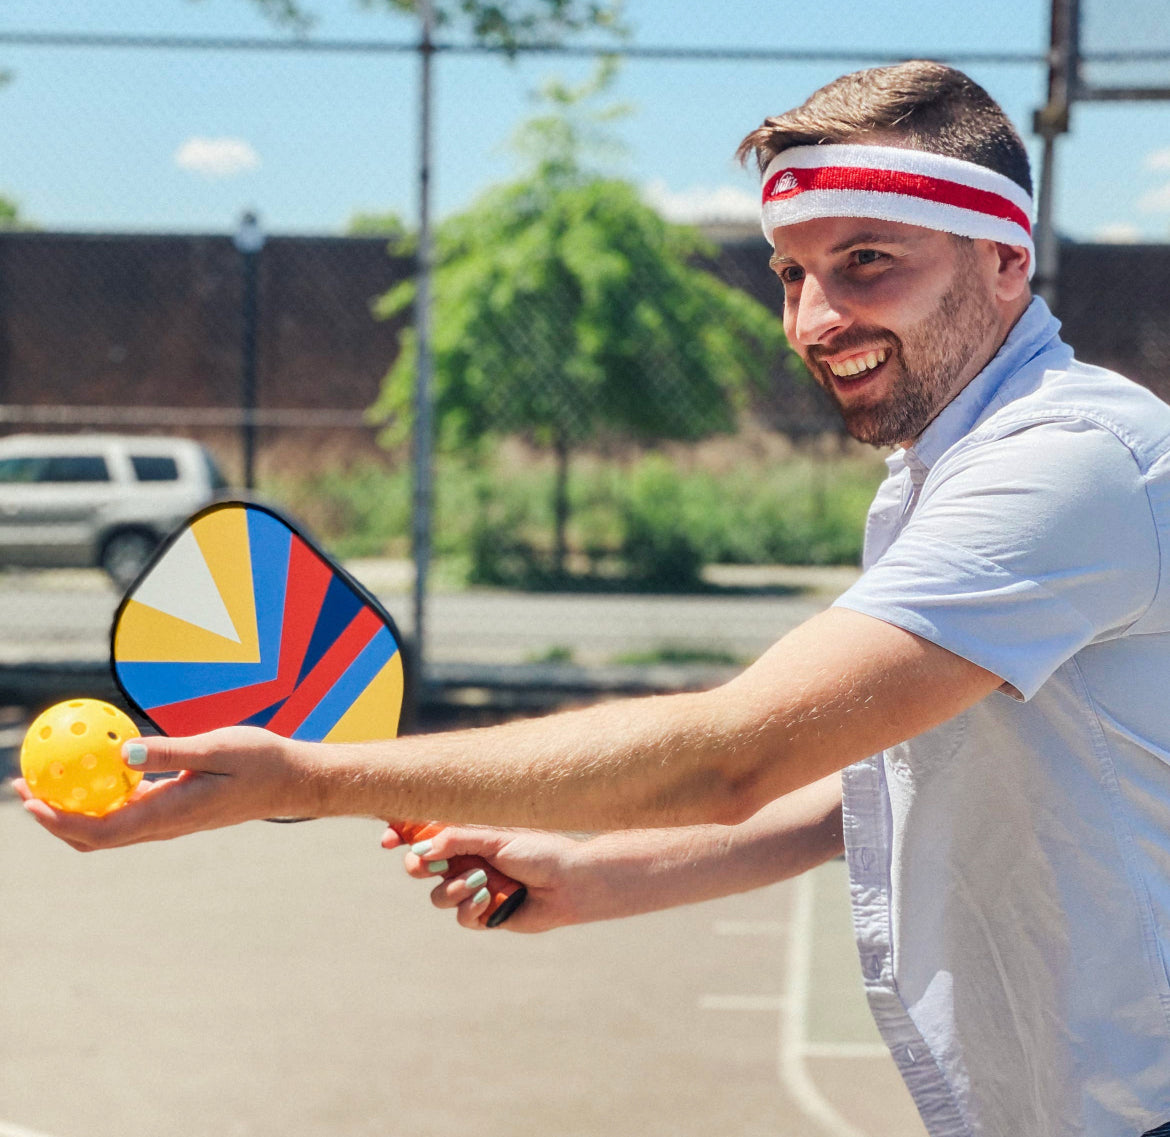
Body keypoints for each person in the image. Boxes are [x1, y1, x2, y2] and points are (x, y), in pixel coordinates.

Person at [17, 60, 1170, 1136]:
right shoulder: (947, 472)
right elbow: (873, 784)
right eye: (792, 273)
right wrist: (595, 875)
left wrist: (311, 778)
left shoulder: (1067, 462)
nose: (816, 319)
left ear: (1006, 260)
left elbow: (732, 754)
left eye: (869, 260)